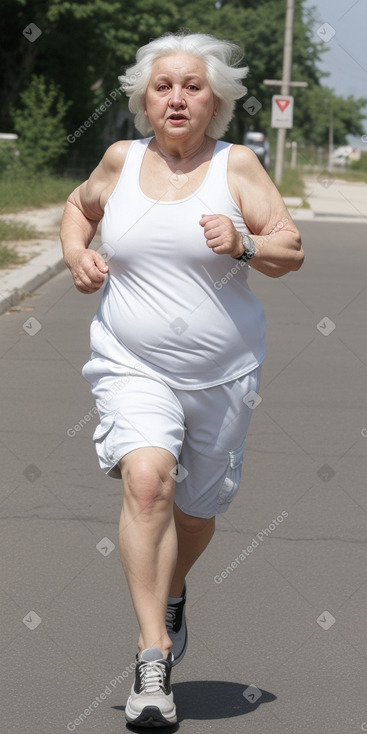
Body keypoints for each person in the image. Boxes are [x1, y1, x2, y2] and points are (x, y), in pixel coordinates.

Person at [60, 31, 304, 727]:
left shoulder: (238, 166)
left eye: (192, 86)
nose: (176, 97)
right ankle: (151, 658)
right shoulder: (120, 160)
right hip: (130, 363)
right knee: (147, 483)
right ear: (143, 98)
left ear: (215, 100)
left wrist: (246, 242)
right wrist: (77, 253)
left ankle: (171, 594)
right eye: (163, 86)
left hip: (222, 373)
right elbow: (81, 206)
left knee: (194, 514)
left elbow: (290, 248)